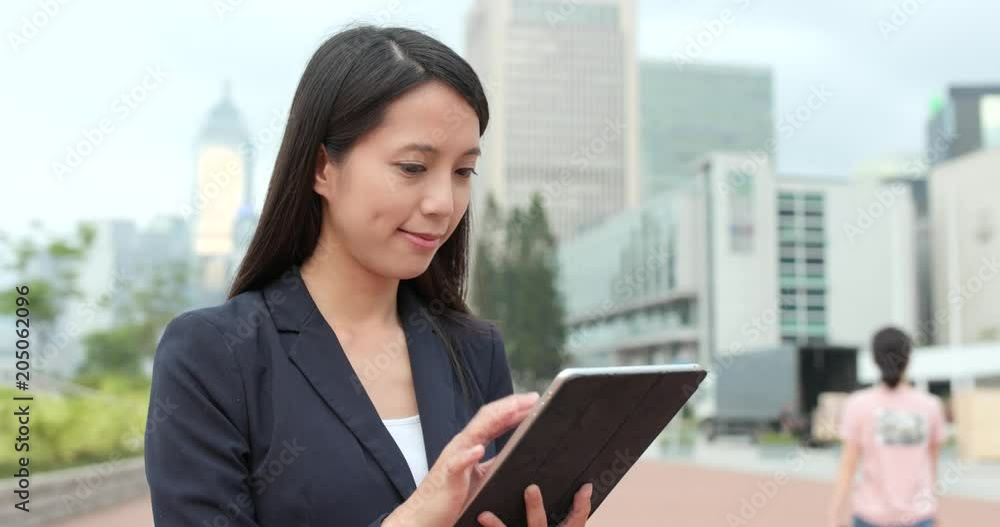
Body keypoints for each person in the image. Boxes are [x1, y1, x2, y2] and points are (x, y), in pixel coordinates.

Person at [144, 25, 593, 527]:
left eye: (463, 172)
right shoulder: (214, 355)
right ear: (322, 168)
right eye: (412, 167)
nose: (443, 204)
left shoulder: (474, 349)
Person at [828, 327, 947, 527]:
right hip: (918, 516)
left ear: (875, 359)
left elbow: (848, 465)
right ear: (909, 357)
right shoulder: (930, 406)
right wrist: (933, 508)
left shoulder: (858, 405)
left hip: (870, 517)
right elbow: (932, 464)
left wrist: (834, 515)